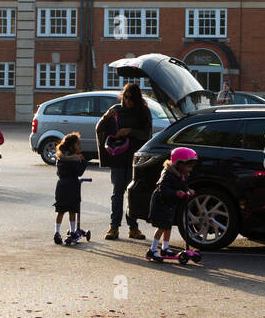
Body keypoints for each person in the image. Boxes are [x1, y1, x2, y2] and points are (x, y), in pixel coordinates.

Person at [96, 82, 153, 240]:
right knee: (117, 193)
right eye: (126, 97)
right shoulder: (117, 110)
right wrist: (106, 116)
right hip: (118, 157)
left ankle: (133, 228)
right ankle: (113, 227)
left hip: (134, 158)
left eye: (131, 98)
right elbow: (100, 128)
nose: (128, 101)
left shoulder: (143, 112)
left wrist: (130, 131)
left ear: (137, 99)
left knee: (132, 194)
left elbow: (147, 134)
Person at [146, 147, 197, 262]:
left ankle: (165, 248)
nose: (190, 169)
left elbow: (183, 186)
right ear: (179, 164)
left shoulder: (182, 174)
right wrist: (176, 193)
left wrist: (188, 190)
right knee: (162, 226)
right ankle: (152, 250)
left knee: (168, 226)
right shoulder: (168, 173)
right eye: (188, 166)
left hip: (170, 203)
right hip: (161, 202)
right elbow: (162, 188)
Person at [53, 132, 87, 244]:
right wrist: (83, 161)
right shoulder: (75, 159)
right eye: (78, 145)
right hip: (72, 185)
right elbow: (79, 172)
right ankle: (72, 232)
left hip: (61, 185)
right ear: (72, 146)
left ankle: (57, 232)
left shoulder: (60, 158)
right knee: (72, 210)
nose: (80, 147)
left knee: (61, 210)